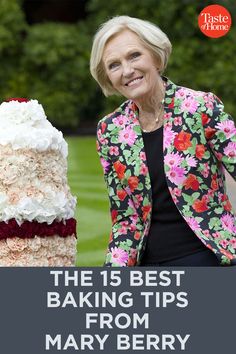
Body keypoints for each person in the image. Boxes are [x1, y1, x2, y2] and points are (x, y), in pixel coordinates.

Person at [90, 15, 236, 267]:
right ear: (108, 77)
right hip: (147, 266)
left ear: (156, 57)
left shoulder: (200, 107)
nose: (127, 70)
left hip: (207, 256)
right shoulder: (110, 130)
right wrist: (112, 275)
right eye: (114, 65)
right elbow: (126, 218)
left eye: (134, 55)